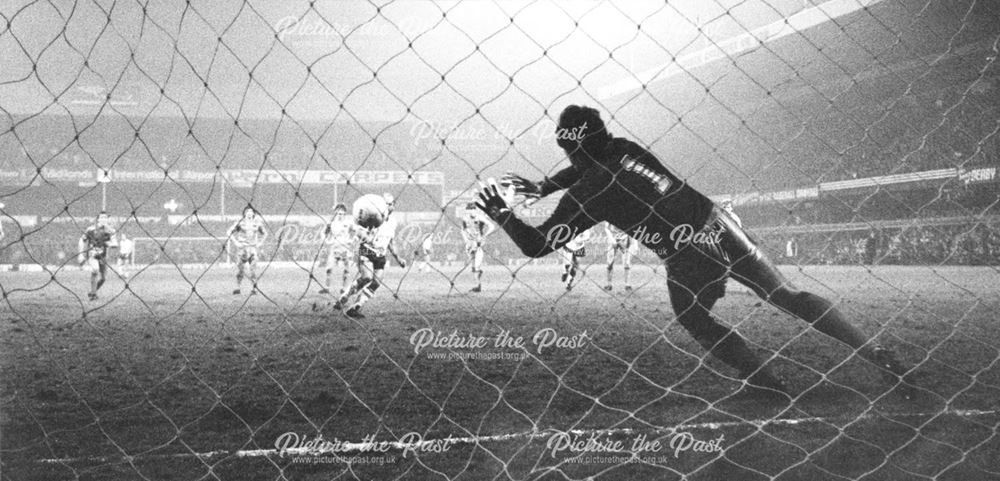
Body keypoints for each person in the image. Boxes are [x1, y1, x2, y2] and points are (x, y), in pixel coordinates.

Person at [486, 105, 914, 397]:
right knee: (787, 296)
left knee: (695, 317)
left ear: (572, 150)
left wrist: (503, 214)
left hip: (686, 251)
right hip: (719, 222)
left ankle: (764, 381)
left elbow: (538, 245)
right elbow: (590, 160)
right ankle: (875, 352)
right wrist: (546, 184)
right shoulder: (625, 148)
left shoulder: (587, 194)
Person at [334, 193, 406, 318]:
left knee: (377, 282)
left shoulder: (393, 222)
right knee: (366, 277)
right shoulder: (371, 216)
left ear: (394, 206)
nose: (388, 206)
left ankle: (355, 307)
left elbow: (390, 242)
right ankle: (344, 296)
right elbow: (357, 231)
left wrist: (398, 258)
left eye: (391, 204)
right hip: (367, 250)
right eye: (386, 204)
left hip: (381, 254)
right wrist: (368, 238)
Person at [226, 205, 268, 295]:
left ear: (253, 213)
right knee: (240, 270)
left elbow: (265, 233)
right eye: (247, 211)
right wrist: (236, 242)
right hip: (242, 249)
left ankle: (254, 288)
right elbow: (229, 232)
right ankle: (237, 287)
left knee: (253, 269)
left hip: (252, 249)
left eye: (251, 211)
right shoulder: (240, 223)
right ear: (245, 213)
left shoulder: (257, 223)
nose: (249, 213)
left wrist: (260, 243)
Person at [78, 211, 116, 301]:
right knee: (95, 270)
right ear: (98, 219)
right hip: (93, 254)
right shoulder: (90, 229)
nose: (104, 219)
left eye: (105, 218)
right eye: (102, 217)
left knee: (103, 279)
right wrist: (81, 254)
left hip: (103, 256)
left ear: (107, 220)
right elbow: (82, 240)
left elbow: (114, 243)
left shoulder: (111, 231)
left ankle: (92, 291)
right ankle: (93, 295)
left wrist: (109, 244)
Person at [321, 203, 356, 294]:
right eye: (339, 213)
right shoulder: (331, 223)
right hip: (334, 248)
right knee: (329, 268)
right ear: (336, 213)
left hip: (344, 249)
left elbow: (355, 232)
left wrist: (351, 240)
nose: (341, 215)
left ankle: (343, 288)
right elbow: (323, 233)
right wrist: (327, 241)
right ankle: (327, 288)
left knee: (346, 268)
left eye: (343, 214)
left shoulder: (348, 223)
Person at [461, 202, 495, 292]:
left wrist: (485, 236)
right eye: (469, 210)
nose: (471, 211)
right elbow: (463, 230)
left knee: (476, 265)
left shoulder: (480, 218)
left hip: (478, 244)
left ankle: (477, 285)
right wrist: (466, 241)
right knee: (473, 266)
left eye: (473, 209)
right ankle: (477, 282)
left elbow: (492, 226)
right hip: (469, 244)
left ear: (475, 210)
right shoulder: (465, 219)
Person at [604, 223, 637, 291]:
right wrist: (612, 240)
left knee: (627, 262)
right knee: (610, 262)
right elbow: (606, 228)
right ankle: (609, 284)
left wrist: (634, 242)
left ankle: (627, 284)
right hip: (612, 239)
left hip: (625, 239)